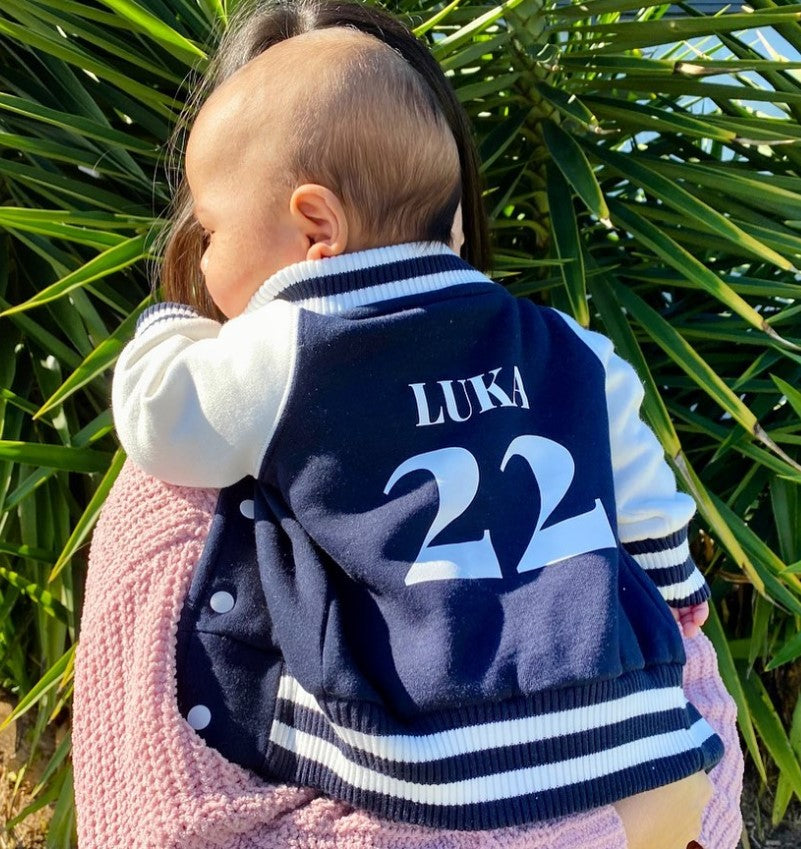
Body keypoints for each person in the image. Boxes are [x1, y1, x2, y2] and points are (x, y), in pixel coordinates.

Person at [74, 3, 744, 848]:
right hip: (618, 735)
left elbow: (162, 415)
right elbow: (651, 525)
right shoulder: (568, 349)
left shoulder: (289, 348)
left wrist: (171, 329)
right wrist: (627, 802)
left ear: (314, 229)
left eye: (212, 229)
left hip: (425, 767)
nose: (204, 258)